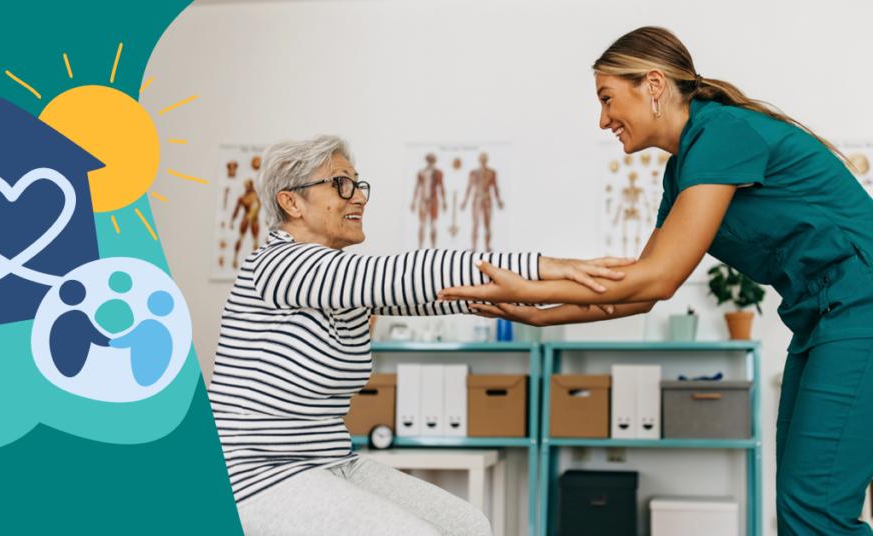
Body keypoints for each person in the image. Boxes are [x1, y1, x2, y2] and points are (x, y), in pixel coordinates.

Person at [439, 27, 873, 536]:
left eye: (607, 99)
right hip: (821, 321)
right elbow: (639, 290)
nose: (602, 120)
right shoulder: (682, 171)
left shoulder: (723, 133)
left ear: (652, 83)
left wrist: (530, 287)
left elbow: (661, 279)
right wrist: (538, 314)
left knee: (814, 511)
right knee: (801, 509)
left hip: (859, 307)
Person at [207, 135, 633, 536]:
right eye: (341, 184)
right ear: (291, 202)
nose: (358, 197)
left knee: (468, 526)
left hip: (330, 461)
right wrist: (552, 264)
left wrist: (599, 292)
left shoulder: (341, 284)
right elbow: (415, 272)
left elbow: (454, 293)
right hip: (254, 476)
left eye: (358, 186)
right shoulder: (278, 265)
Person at [109, 290, 174, 387]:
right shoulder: (165, 330)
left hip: (144, 375)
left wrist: (109, 342)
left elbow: (125, 341)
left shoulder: (147, 325)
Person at [49, 279, 111, 377]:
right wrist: (113, 342)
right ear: (83, 295)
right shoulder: (79, 317)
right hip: (72, 366)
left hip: (64, 366)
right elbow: (96, 337)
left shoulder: (60, 319)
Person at [411, 153, 447, 248]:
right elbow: (417, 187)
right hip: (423, 200)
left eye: (432, 159)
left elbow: (441, 187)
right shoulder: (421, 173)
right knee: (422, 224)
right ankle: (420, 247)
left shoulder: (438, 173)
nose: (430, 161)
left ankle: (433, 247)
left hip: (433, 200)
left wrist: (444, 201)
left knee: (433, 225)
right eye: (429, 159)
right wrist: (413, 201)